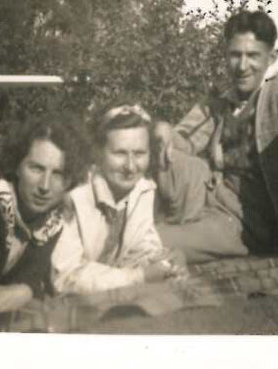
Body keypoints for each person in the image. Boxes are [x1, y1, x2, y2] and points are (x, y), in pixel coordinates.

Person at [153, 10, 278, 263]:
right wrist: (163, 131)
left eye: (252, 56)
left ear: (271, 57)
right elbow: (185, 140)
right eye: (235, 55)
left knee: (151, 241)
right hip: (209, 200)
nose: (242, 66)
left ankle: (142, 236)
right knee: (159, 151)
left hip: (250, 223)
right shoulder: (223, 99)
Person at [50, 104, 186, 294]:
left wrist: (165, 261)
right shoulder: (74, 195)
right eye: (120, 153)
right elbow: (64, 278)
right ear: (97, 153)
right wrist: (139, 277)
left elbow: (141, 248)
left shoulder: (143, 188)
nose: (131, 167)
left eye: (139, 153)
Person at [0, 115, 86, 313]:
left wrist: (25, 291)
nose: (45, 186)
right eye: (36, 168)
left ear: (70, 180)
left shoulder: (51, 221)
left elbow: (32, 278)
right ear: (16, 166)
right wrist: (28, 291)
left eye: (58, 174)